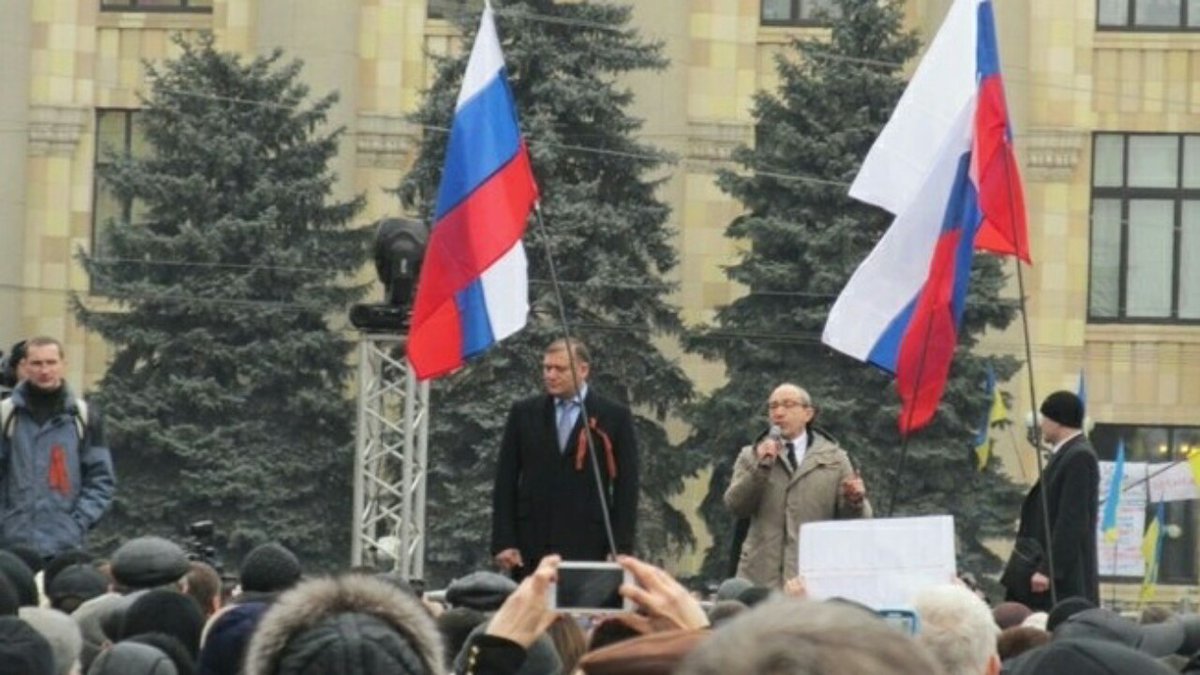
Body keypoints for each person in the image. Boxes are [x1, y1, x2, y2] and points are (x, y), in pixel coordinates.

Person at [491, 338, 638, 580]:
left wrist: (620, 547)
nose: (550, 375)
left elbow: (626, 487)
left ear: (583, 370)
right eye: (547, 368)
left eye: (559, 369)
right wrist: (504, 540)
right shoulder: (524, 413)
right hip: (532, 544)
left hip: (590, 544)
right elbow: (505, 480)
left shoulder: (613, 417)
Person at [723, 383, 870, 588]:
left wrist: (855, 501)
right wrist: (760, 468)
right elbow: (736, 506)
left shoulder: (835, 459)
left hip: (811, 578)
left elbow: (857, 523)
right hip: (760, 579)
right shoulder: (751, 455)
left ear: (808, 414)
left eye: (788, 405)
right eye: (773, 406)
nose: (779, 413)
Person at [0, 336, 115, 559]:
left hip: (65, 546)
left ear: (63, 364)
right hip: (11, 546)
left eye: (51, 362)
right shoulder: (6, 415)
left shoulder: (84, 417)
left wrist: (78, 522)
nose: (45, 370)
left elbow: (101, 478)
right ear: (24, 366)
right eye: (37, 363)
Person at [1002, 390, 1098, 610]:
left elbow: (1071, 520)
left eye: (1045, 418)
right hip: (1042, 568)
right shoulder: (1067, 453)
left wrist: (1048, 570)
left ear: (1058, 421)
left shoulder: (1079, 456)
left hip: (1059, 581)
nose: (1041, 424)